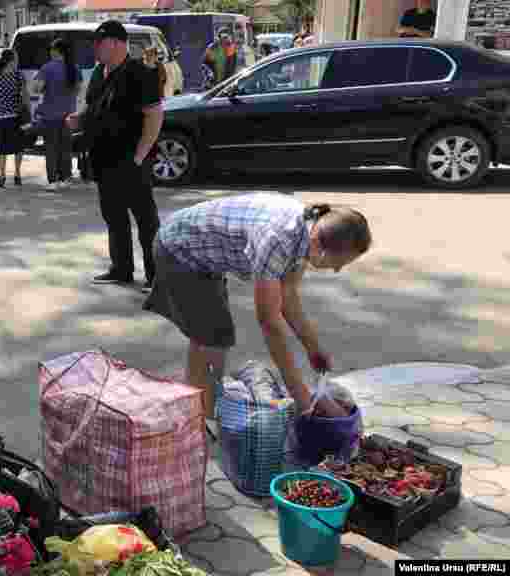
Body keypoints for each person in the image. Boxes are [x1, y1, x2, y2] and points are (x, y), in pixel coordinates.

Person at [142, 194, 372, 432]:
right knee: (213, 338)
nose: (336, 270)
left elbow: (288, 295)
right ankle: (201, 421)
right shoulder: (277, 239)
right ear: (319, 248)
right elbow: (269, 321)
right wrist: (301, 396)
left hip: (203, 254)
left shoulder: (307, 231)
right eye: (339, 262)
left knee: (209, 336)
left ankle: (199, 407)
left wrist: (313, 347)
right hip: (180, 250)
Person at [66, 20, 162, 292]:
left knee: (146, 220)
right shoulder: (99, 72)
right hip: (103, 158)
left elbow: (154, 115)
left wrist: (140, 156)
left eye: (100, 42)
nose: (95, 48)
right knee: (114, 216)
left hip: (132, 159)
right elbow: (94, 107)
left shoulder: (141, 72)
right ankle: (121, 268)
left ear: (118, 43)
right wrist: (79, 119)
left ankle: (157, 276)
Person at [33, 38, 80, 190]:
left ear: (55, 51)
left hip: (50, 115)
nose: (50, 52)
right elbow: (78, 90)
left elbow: (37, 89)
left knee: (51, 149)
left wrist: (41, 85)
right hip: (68, 115)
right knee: (65, 148)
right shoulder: (74, 68)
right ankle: (65, 177)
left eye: (51, 50)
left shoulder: (47, 68)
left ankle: (53, 181)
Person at [0, 49, 28, 188]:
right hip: (16, 115)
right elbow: (25, 95)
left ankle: (2, 176)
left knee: (3, 147)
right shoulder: (18, 75)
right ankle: (17, 175)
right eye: (16, 58)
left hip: (0, 116)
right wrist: (28, 111)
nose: (17, 60)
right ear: (11, 60)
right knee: (18, 147)